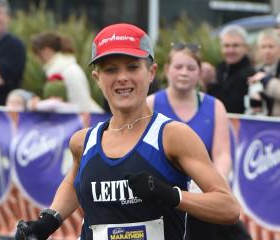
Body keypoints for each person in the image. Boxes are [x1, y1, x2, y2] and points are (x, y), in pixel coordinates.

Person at [15, 23, 240, 240]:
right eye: (111, 69)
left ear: (151, 72)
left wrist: (170, 195)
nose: (122, 77)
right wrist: (48, 221)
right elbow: (72, 184)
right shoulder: (84, 141)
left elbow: (228, 208)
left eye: (132, 67)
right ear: (97, 78)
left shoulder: (173, 136)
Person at [147, 43, 251, 240]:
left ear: (200, 72)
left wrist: (212, 185)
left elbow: (222, 154)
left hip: (202, 193)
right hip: (162, 195)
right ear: (167, 69)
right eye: (178, 67)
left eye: (191, 68)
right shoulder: (150, 104)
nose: (184, 73)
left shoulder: (215, 106)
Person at [31, 31, 103, 114]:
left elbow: (82, 107)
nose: (37, 59)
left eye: (37, 53)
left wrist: (40, 106)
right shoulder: (57, 70)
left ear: (46, 50)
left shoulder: (71, 70)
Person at [207, 25, 256, 114]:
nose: (230, 50)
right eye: (226, 46)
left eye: (235, 45)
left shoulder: (252, 74)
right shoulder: (218, 69)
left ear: (246, 48)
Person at [247, 28, 280, 116]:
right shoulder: (255, 70)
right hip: (263, 125)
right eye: (263, 47)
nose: (267, 51)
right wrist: (254, 103)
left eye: (271, 46)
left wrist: (267, 81)